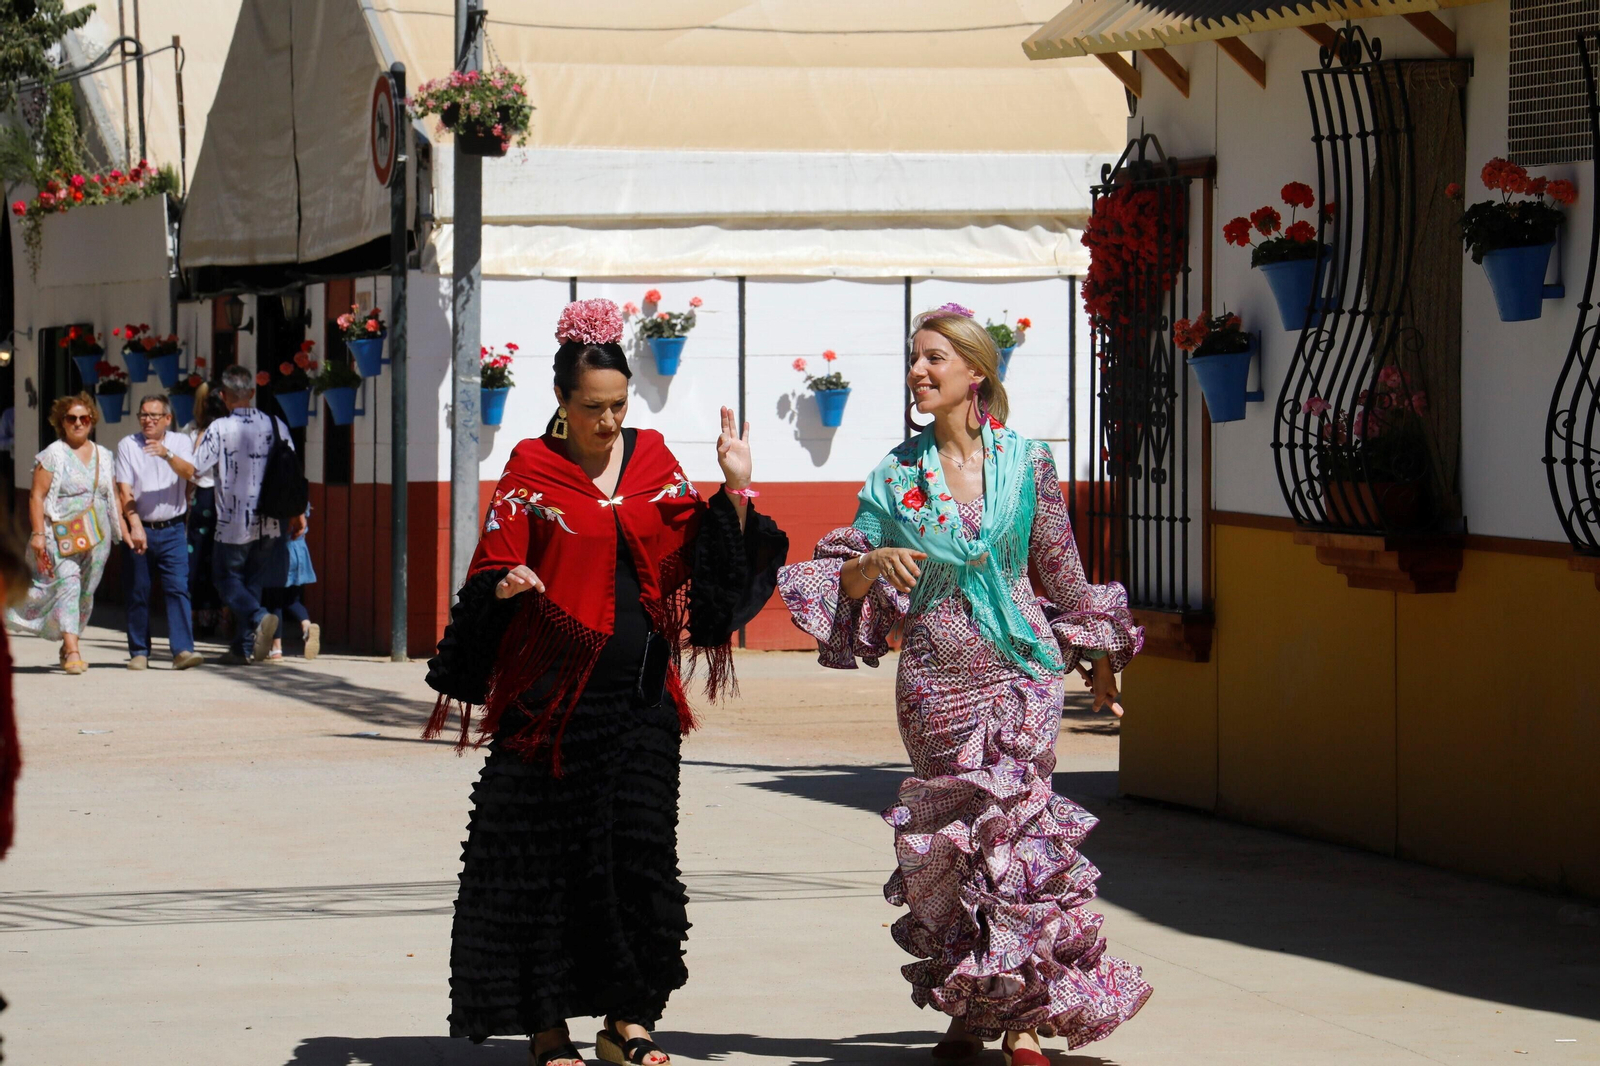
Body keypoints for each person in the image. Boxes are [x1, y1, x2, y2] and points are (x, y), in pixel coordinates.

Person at [776, 305, 1151, 1065]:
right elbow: (843, 576)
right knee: (953, 849)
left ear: (975, 373)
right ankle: (967, 1012)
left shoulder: (1028, 462)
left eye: (935, 358)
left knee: (1015, 837)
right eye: (915, 359)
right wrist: (874, 565)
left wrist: (1097, 643)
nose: (920, 371)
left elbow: (1061, 567)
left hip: (1024, 671)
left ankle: (1019, 1020)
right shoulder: (894, 473)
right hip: (935, 683)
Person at [424, 299, 787, 1066]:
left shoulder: (655, 460)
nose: (609, 421)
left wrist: (736, 491)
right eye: (593, 408)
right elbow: (489, 569)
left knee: (643, 860)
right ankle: (548, 1029)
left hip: (642, 704)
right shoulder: (531, 470)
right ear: (562, 402)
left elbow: (711, 564)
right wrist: (508, 584)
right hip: (550, 705)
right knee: (543, 868)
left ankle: (631, 1020)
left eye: (619, 405)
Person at [6, 394, 129, 674]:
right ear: (62, 422)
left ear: (91, 421)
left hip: (98, 536)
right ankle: (73, 651)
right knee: (69, 584)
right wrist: (38, 534)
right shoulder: (53, 454)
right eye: (71, 418)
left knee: (85, 592)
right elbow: (36, 496)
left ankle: (66, 642)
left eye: (83, 418)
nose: (78, 423)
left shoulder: (104, 456)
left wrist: (125, 530)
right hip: (60, 533)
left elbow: (113, 496)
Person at [193, 364, 304, 665]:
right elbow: (292, 469)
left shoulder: (219, 427)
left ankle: (257, 617)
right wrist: (297, 513)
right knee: (253, 579)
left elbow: (197, 467)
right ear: (252, 393)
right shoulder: (275, 423)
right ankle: (243, 648)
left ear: (224, 395)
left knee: (225, 578)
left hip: (232, 521)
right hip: (271, 519)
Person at [115, 394, 203, 670]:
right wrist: (135, 524)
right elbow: (124, 489)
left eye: (154, 415)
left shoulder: (180, 442)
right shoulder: (128, 445)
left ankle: (182, 651)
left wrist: (166, 454)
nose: (148, 420)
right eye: (143, 415)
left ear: (168, 419)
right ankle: (139, 651)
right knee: (138, 590)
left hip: (173, 528)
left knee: (178, 588)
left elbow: (191, 472)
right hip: (141, 527)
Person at [184, 386, 227, 637]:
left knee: (197, 557)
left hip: (203, 498)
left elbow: (192, 471)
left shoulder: (195, 432)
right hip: (228, 500)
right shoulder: (232, 430)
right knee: (223, 559)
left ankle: (196, 617)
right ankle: (224, 617)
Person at [264, 506, 318, 661]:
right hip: (299, 552)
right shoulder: (301, 498)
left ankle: (276, 649)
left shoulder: (277, 496)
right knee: (292, 599)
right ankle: (307, 627)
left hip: (279, 552)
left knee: (275, 601)